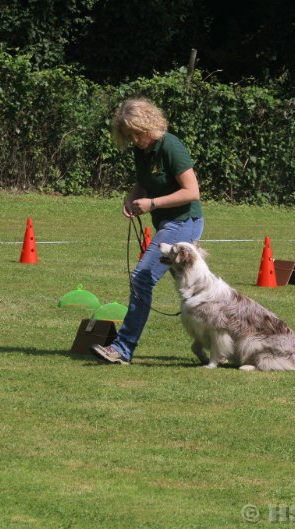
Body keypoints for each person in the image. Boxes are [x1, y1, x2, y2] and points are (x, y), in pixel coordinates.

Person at [91, 98, 204, 365]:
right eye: (128, 135)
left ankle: (122, 348)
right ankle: (218, 342)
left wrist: (152, 204)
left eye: (137, 133)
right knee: (196, 288)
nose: (134, 140)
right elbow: (144, 182)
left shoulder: (171, 146)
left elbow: (192, 192)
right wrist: (132, 197)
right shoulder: (141, 150)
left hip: (183, 222)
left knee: (142, 278)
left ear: (148, 124)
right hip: (166, 223)